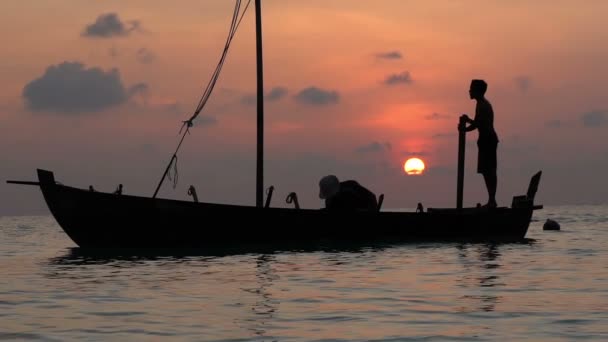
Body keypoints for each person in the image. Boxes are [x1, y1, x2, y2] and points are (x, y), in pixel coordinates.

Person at [461, 79, 499, 208]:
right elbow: (477, 124)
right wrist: (465, 128)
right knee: (485, 171)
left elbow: (479, 124)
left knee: (489, 170)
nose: (469, 91)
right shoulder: (479, 104)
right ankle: (491, 200)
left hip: (488, 139)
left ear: (477, 91)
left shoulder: (483, 105)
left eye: (471, 89)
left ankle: (492, 200)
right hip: (484, 139)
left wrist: (467, 122)